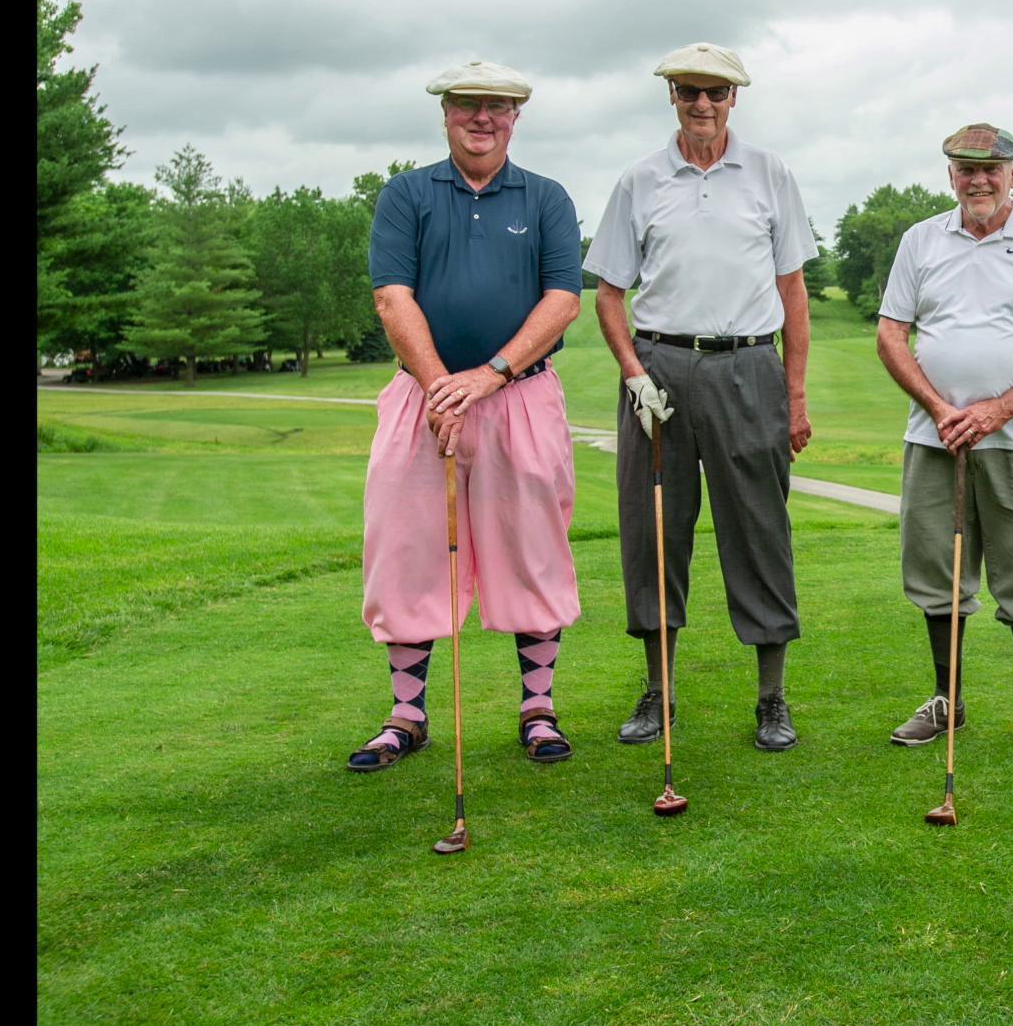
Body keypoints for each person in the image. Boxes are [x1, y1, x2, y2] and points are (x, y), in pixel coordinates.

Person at [348, 60, 585, 770]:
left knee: (532, 547)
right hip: (423, 398)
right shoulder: (406, 194)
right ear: (444, 112)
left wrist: (487, 376)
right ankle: (406, 715)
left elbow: (563, 300)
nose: (482, 117)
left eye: (498, 106)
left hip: (519, 394)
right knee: (407, 546)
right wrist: (440, 386)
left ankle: (538, 708)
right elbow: (393, 296)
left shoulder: (545, 198)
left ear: (517, 116)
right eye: (466, 105)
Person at [585, 42, 817, 751]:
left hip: (749, 367)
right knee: (655, 530)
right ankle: (659, 693)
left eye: (716, 92)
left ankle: (771, 699)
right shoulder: (640, 179)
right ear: (673, 97)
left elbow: (793, 292)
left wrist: (796, 397)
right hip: (659, 369)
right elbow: (609, 293)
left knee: (759, 531)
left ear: (734, 99)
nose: (703, 104)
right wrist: (632, 372)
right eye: (690, 92)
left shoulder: (770, 174)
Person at [875, 123, 1013, 756]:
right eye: (965, 168)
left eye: (991, 169)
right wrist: (941, 406)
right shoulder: (921, 241)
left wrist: (997, 409)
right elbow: (891, 333)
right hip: (934, 435)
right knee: (938, 570)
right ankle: (948, 700)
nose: (978, 179)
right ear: (949, 175)